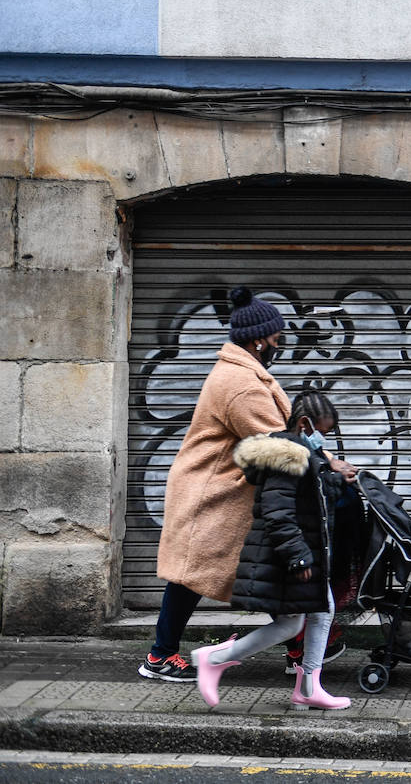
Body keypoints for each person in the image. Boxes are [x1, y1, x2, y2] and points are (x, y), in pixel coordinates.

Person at [139, 286, 356, 682]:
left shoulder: (246, 374)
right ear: (258, 341)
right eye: (275, 338)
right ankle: (159, 657)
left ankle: (297, 644)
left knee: (258, 565)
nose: (279, 344)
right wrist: (329, 463)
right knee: (193, 575)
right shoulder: (240, 385)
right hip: (211, 492)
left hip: (225, 490)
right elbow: (280, 441)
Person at [192, 391, 358, 711]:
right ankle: (216, 659)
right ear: (305, 424)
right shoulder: (288, 456)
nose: (324, 439)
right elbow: (277, 511)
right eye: (323, 431)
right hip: (285, 556)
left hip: (292, 553)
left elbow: (312, 495)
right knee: (301, 620)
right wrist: (297, 556)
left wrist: (339, 479)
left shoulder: (299, 454)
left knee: (308, 617)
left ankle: (308, 687)